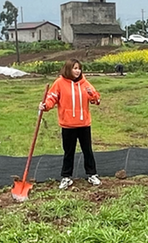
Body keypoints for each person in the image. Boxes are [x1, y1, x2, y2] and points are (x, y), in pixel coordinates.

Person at [40, 60, 102, 189]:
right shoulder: (59, 83)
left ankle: (92, 174)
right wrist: (45, 106)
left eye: (79, 68)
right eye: (75, 68)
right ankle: (66, 177)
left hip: (84, 123)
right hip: (68, 124)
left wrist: (94, 97)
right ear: (68, 69)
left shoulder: (84, 83)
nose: (77, 71)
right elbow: (51, 98)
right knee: (69, 152)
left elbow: (95, 97)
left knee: (87, 150)